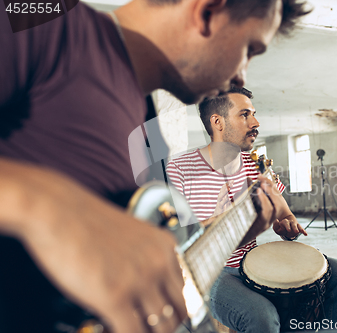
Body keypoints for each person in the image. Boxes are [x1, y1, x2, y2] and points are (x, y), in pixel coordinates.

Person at [0, 0, 312, 332]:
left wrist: (238, 228)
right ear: (207, 13)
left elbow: (136, 245)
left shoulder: (145, 118)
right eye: (249, 48)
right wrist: (46, 205)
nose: (241, 74)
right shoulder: (40, 20)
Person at [167, 86, 337, 332]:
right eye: (244, 114)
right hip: (209, 272)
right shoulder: (181, 168)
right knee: (262, 315)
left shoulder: (256, 165)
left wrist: (286, 223)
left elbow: (284, 212)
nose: (255, 122)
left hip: (249, 262)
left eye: (254, 114)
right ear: (218, 122)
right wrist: (223, 214)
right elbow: (180, 242)